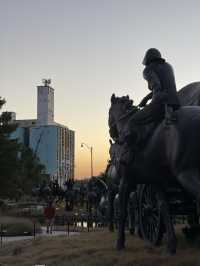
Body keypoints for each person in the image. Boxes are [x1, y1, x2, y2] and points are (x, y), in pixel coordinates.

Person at [133, 48, 180, 125]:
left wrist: (151, 102)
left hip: (160, 104)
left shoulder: (148, 69)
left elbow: (157, 87)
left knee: (133, 121)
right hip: (175, 103)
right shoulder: (168, 66)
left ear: (147, 58)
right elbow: (166, 88)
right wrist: (145, 99)